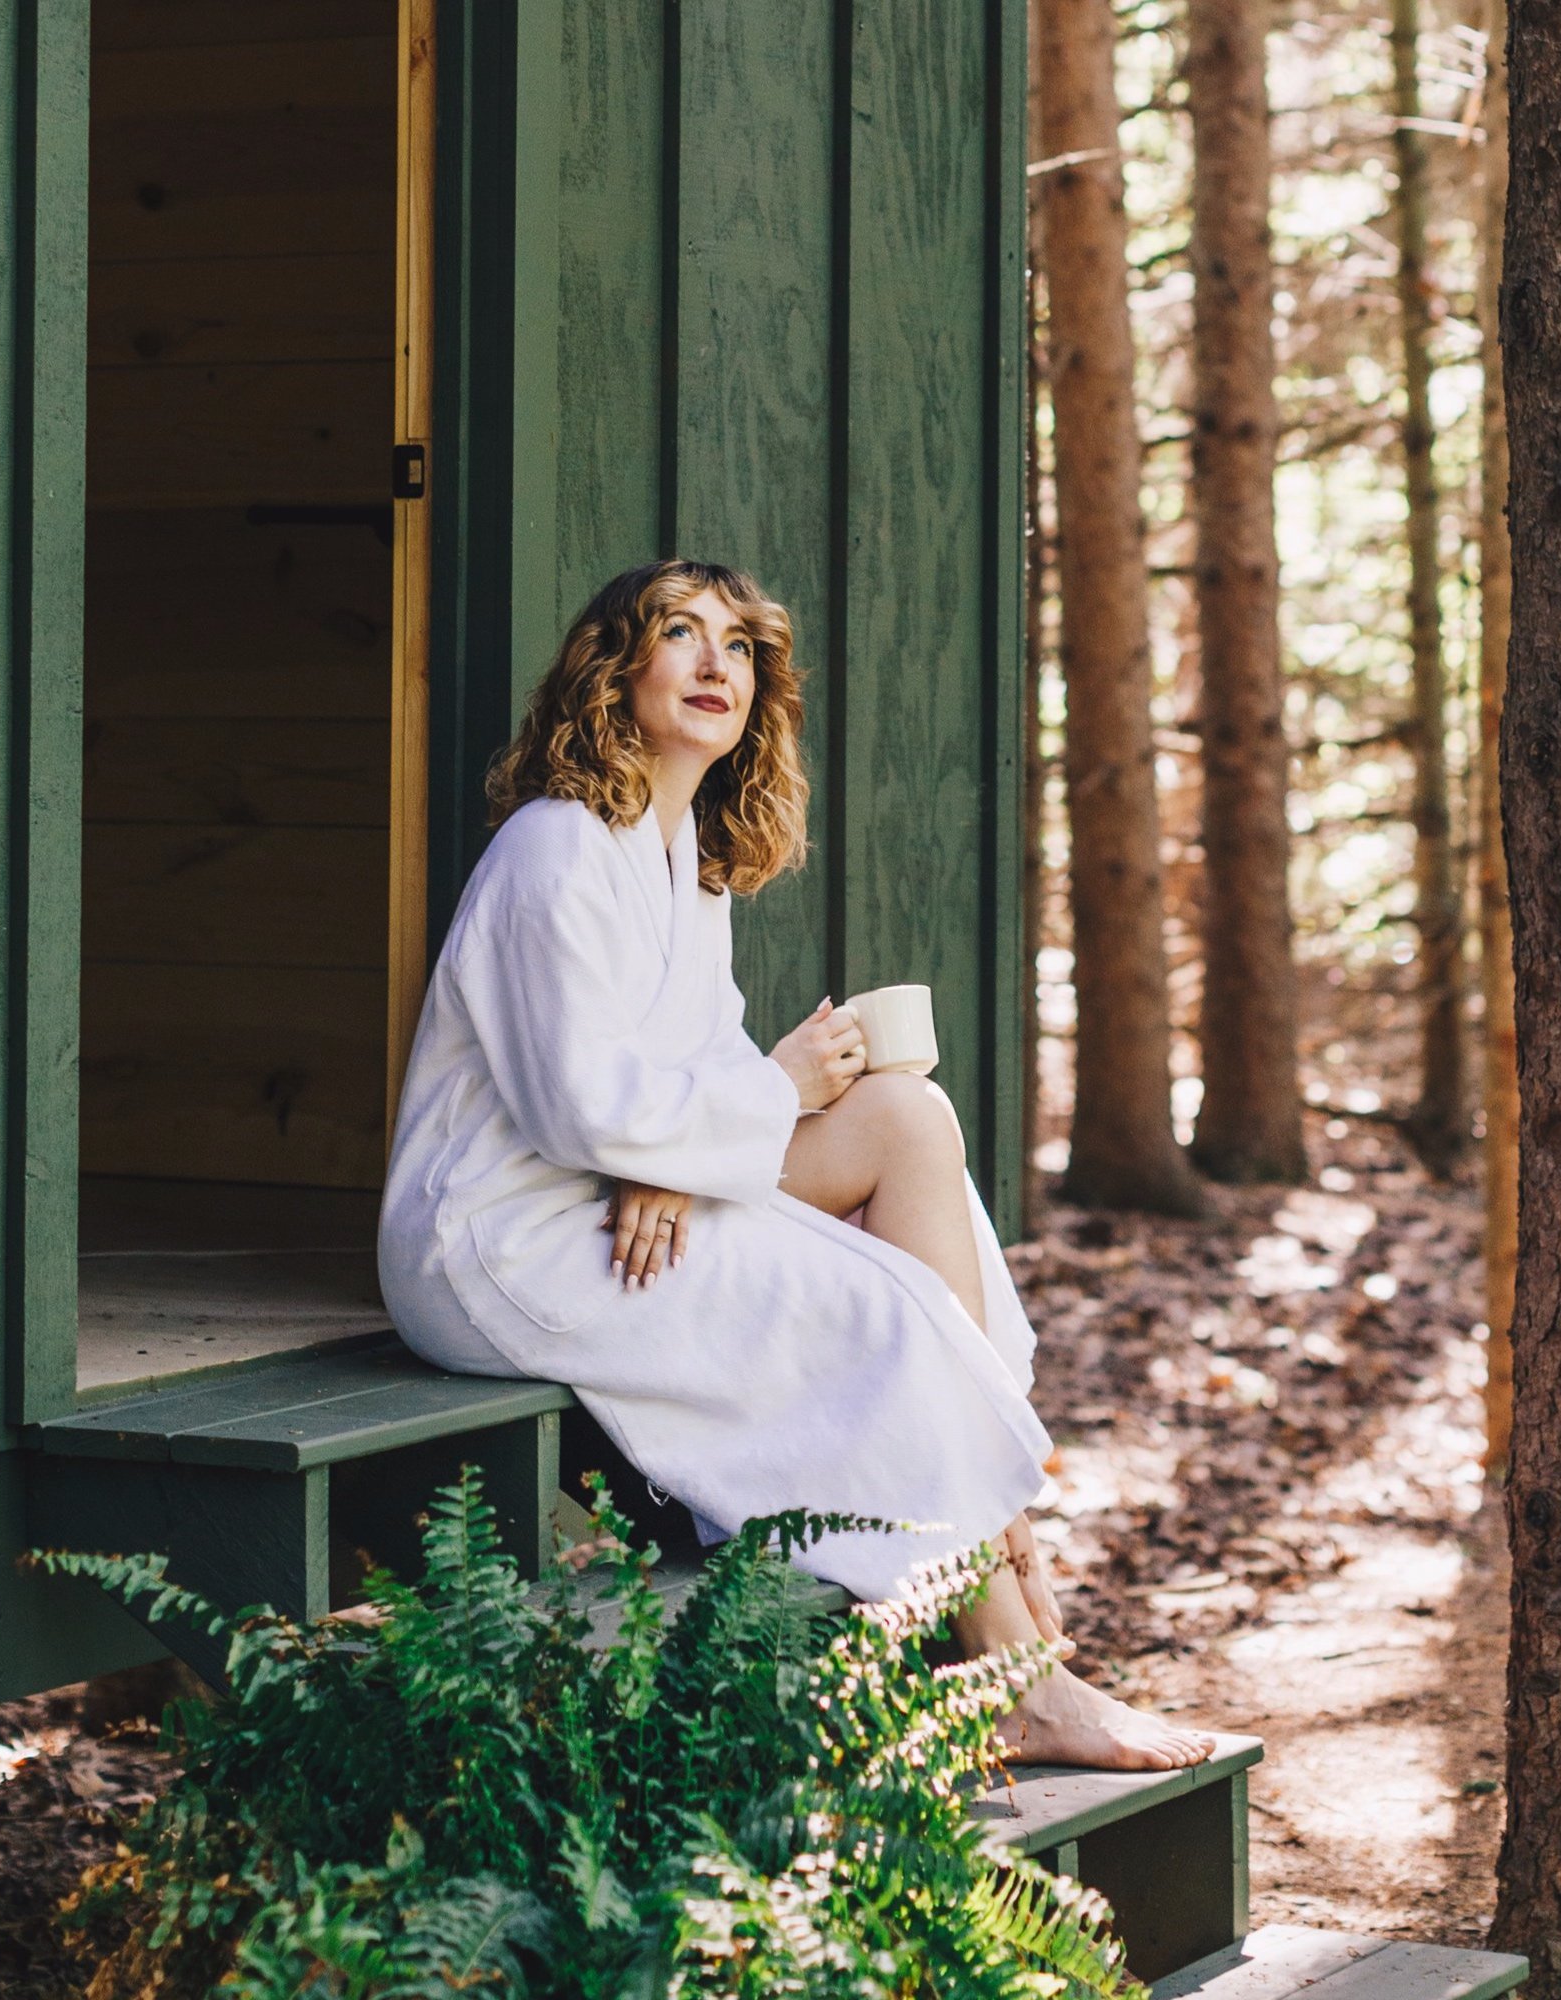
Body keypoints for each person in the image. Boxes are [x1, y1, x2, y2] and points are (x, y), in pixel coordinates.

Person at [379, 558, 1214, 1771]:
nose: (717, 664)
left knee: (904, 1117)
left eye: (740, 645)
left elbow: (679, 1081)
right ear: (616, 670)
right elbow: (580, 1110)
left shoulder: (682, 859)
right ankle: (1017, 1655)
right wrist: (753, 1102)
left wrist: (691, 1155)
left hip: (624, 1194)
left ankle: (997, 1543)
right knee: (889, 1310)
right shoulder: (553, 849)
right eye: (680, 634)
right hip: (506, 1236)